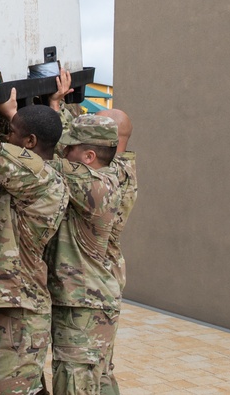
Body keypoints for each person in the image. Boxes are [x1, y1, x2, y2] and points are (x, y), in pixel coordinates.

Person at [0, 74, 70, 395]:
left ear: (30, 142)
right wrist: (11, 116)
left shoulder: (40, 179)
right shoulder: (27, 173)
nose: (7, 137)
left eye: (13, 134)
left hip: (14, 318)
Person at [45, 114, 123, 395]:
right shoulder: (112, 173)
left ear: (89, 156)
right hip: (93, 302)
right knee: (98, 380)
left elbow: (37, 160)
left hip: (83, 306)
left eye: (71, 148)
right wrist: (56, 105)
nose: (64, 152)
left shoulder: (92, 185)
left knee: (76, 381)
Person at [93, 109, 136, 395]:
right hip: (107, 276)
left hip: (98, 280)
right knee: (101, 365)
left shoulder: (111, 176)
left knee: (94, 369)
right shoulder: (123, 166)